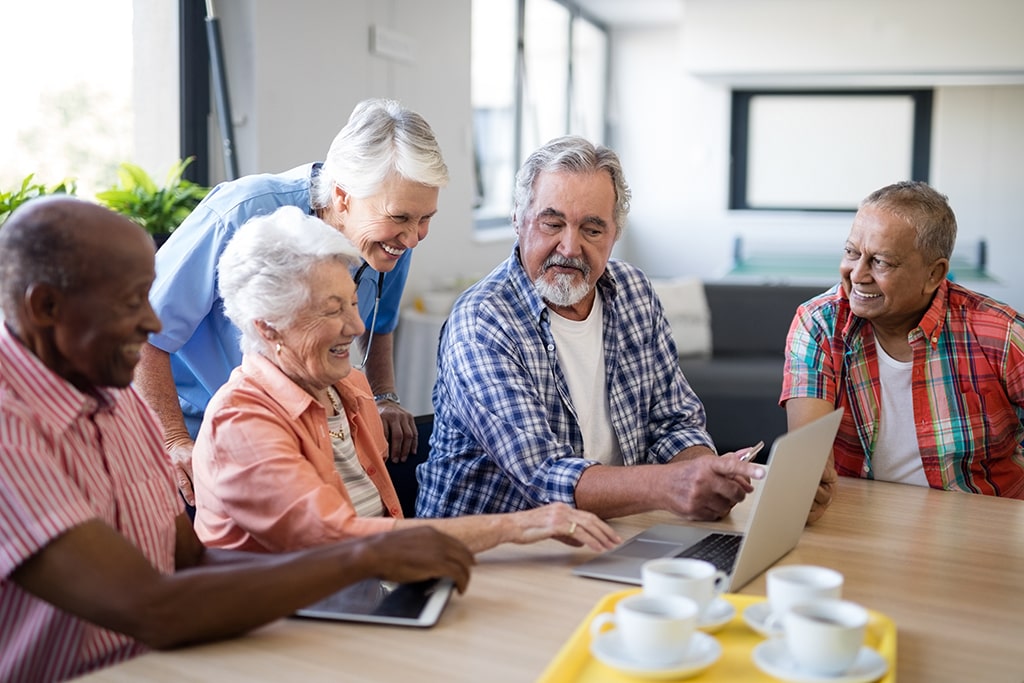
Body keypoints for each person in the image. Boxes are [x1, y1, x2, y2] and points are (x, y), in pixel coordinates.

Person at [0, 197, 473, 682]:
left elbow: (191, 560)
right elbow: (149, 607)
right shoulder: (10, 433)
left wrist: (363, 570)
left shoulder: (114, 396)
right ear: (46, 307)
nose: (153, 324)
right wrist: (362, 556)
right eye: (130, 302)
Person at [191, 206, 620, 555]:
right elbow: (338, 541)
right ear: (268, 327)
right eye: (331, 310)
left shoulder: (351, 389)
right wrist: (516, 525)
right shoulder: (241, 422)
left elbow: (383, 525)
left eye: (354, 304)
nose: (357, 326)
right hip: (290, 631)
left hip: (369, 592)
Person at [415, 136, 765, 521]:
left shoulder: (634, 292)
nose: (569, 247)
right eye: (552, 223)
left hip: (606, 534)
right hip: (485, 557)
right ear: (518, 219)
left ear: (615, 234)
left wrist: (706, 472)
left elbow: (674, 422)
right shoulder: (483, 321)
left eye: (592, 230)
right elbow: (544, 477)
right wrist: (671, 484)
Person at [134, 98, 445, 507]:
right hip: (199, 428)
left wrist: (384, 396)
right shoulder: (242, 213)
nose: (413, 237)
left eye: (426, 219)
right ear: (343, 196)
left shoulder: (389, 242)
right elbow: (141, 330)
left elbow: (379, 324)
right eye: (402, 217)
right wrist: (173, 440)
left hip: (294, 433)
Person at [781, 180, 1024, 522]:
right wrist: (802, 487)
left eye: (881, 262)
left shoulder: (1001, 333)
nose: (857, 274)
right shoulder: (818, 324)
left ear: (934, 274)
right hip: (856, 519)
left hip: (981, 526)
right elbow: (807, 459)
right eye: (851, 252)